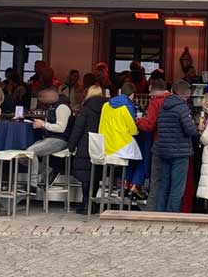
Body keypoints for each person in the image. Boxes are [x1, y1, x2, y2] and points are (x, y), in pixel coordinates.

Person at [154, 81, 199, 212]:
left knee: (164, 185)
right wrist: (198, 129)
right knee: (177, 187)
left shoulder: (163, 106)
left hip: (164, 150)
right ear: (187, 94)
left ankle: (160, 212)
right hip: (180, 152)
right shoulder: (182, 108)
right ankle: (172, 214)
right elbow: (190, 130)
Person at [24, 88, 73, 186]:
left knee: (31, 152)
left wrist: (43, 124)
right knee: (24, 154)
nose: (40, 100)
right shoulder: (51, 107)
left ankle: (32, 184)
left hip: (61, 139)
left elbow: (61, 128)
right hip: (49, 138)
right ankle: (48, 170)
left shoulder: (62, 107)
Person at [68, 85, 105, 214]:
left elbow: (78, 129)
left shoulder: (85, 109)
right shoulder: (106, 108)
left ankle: (85, 203)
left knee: (85, 176)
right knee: (95, 176)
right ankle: (92, 203)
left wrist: (71, 146)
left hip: (85, 144)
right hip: (100, 144)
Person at [138, 82, 171, 210]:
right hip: (175, 145)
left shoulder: (155, 102)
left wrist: (138, 121)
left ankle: (152, 209)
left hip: (159, 143)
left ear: (153, 92)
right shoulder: (175, 100)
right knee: (168, 179)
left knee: (156, 179)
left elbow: (150, 125)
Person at [99, 83, 140, 160]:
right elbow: (133, 130)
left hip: (105, 146)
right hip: (121, 147)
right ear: (132, 95)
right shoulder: (127, 106)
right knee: (139, 155)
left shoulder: (106, 105)